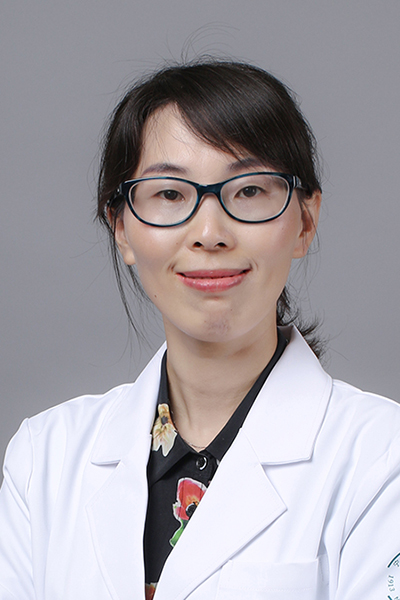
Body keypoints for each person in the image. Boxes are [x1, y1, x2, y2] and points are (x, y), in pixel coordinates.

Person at [1, 60, 400, 600]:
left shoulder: (382, 458)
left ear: (305, 221)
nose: (209, 233)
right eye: (170, 194)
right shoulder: (44, 459)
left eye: (249, 191)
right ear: (121, 228)